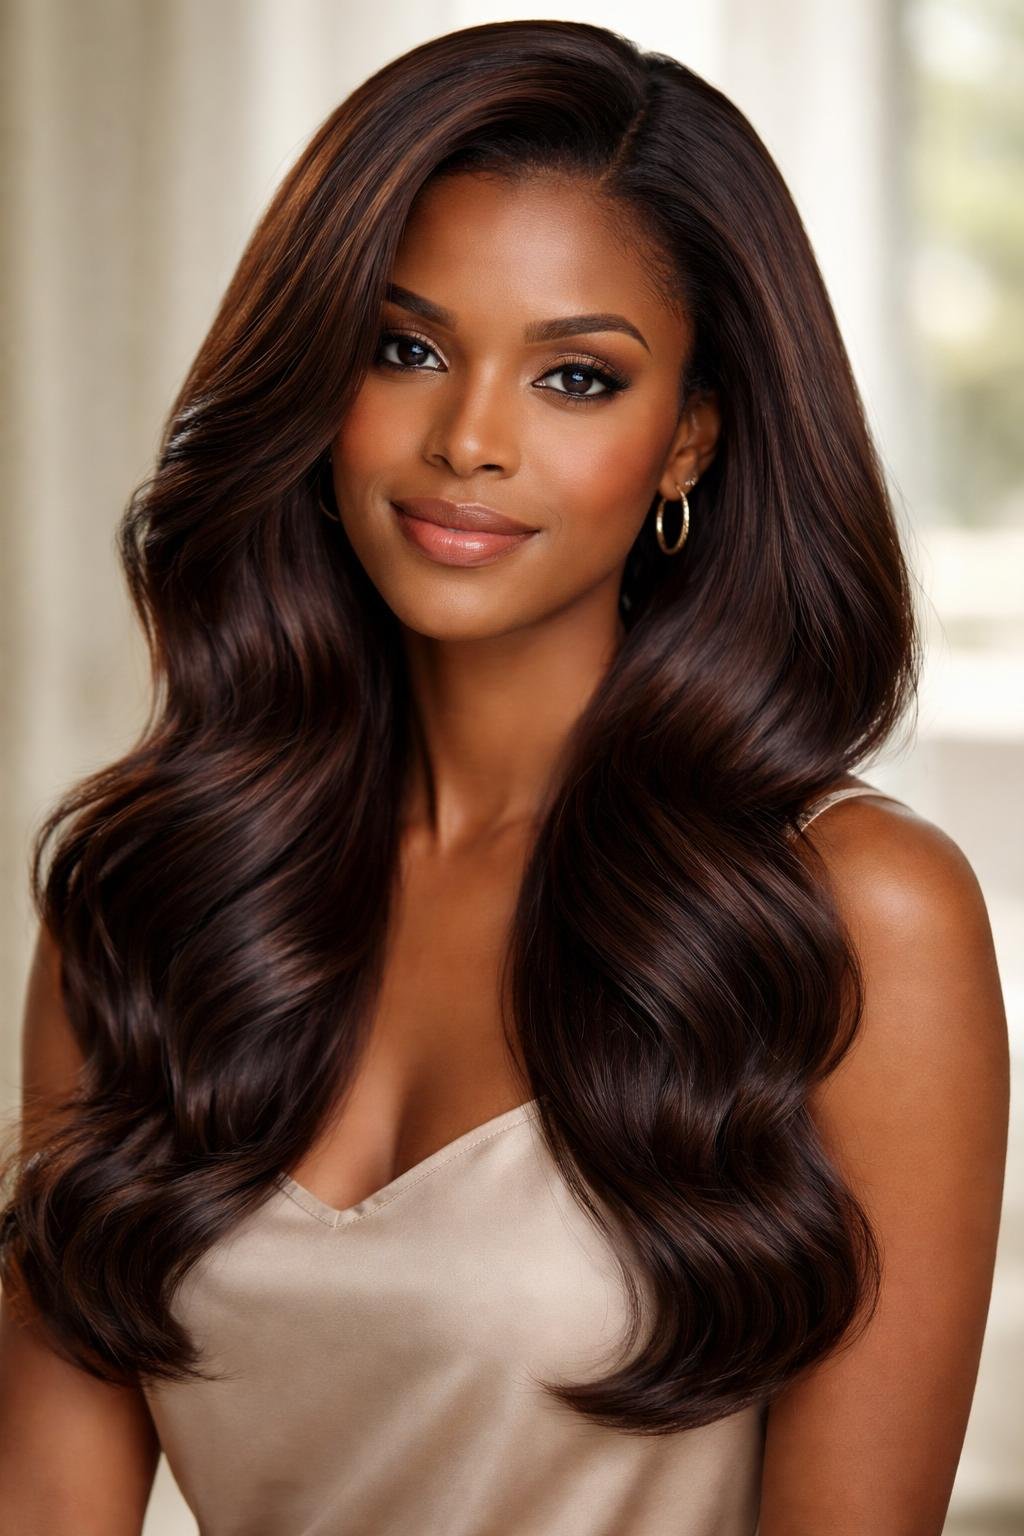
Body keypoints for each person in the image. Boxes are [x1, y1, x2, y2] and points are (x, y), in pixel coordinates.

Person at [0, 18, 1009, 1536]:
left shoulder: (861, 916)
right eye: (403, 349)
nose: (469, 440)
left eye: (578, 379)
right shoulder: (153, 896)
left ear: (691, 441)